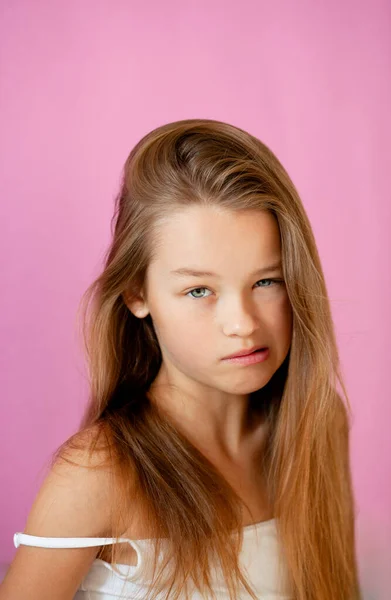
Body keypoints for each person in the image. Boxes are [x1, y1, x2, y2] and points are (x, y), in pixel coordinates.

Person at [0, 119, 361, 600]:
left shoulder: (317, 427)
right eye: (198, 290)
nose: (242, 323)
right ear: (136, 294)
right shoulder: (98, 476)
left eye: (267, 281)